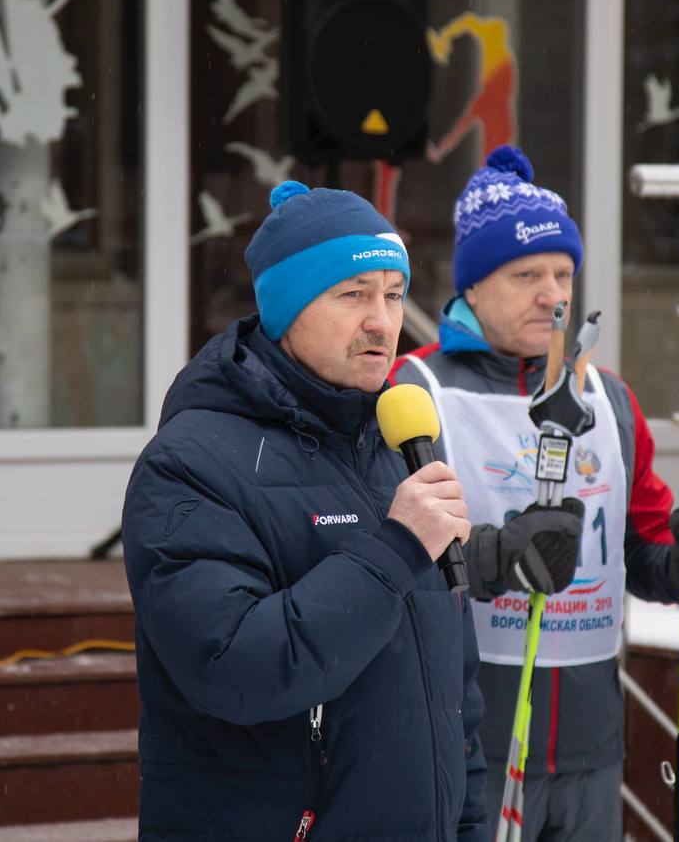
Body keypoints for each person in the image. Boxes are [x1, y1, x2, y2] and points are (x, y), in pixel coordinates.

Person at [391, 145, 679, 841]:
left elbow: (642, 554)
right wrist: (498, 557)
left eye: (563, 273)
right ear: (472, 286)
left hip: (591, 749)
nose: (553, 294)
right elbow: (395, 567)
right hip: (471, 743)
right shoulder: (417, 390)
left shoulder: (608, 397)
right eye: (525, 274)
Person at [121, 181, 488, 841]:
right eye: (353, 294)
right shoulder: (191, 463)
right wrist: (396, 548)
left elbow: (453, 695)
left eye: (394, 293)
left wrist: (469, 823)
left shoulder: (398, 451)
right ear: (285, 310)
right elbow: (234, 669)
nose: (383, 320)